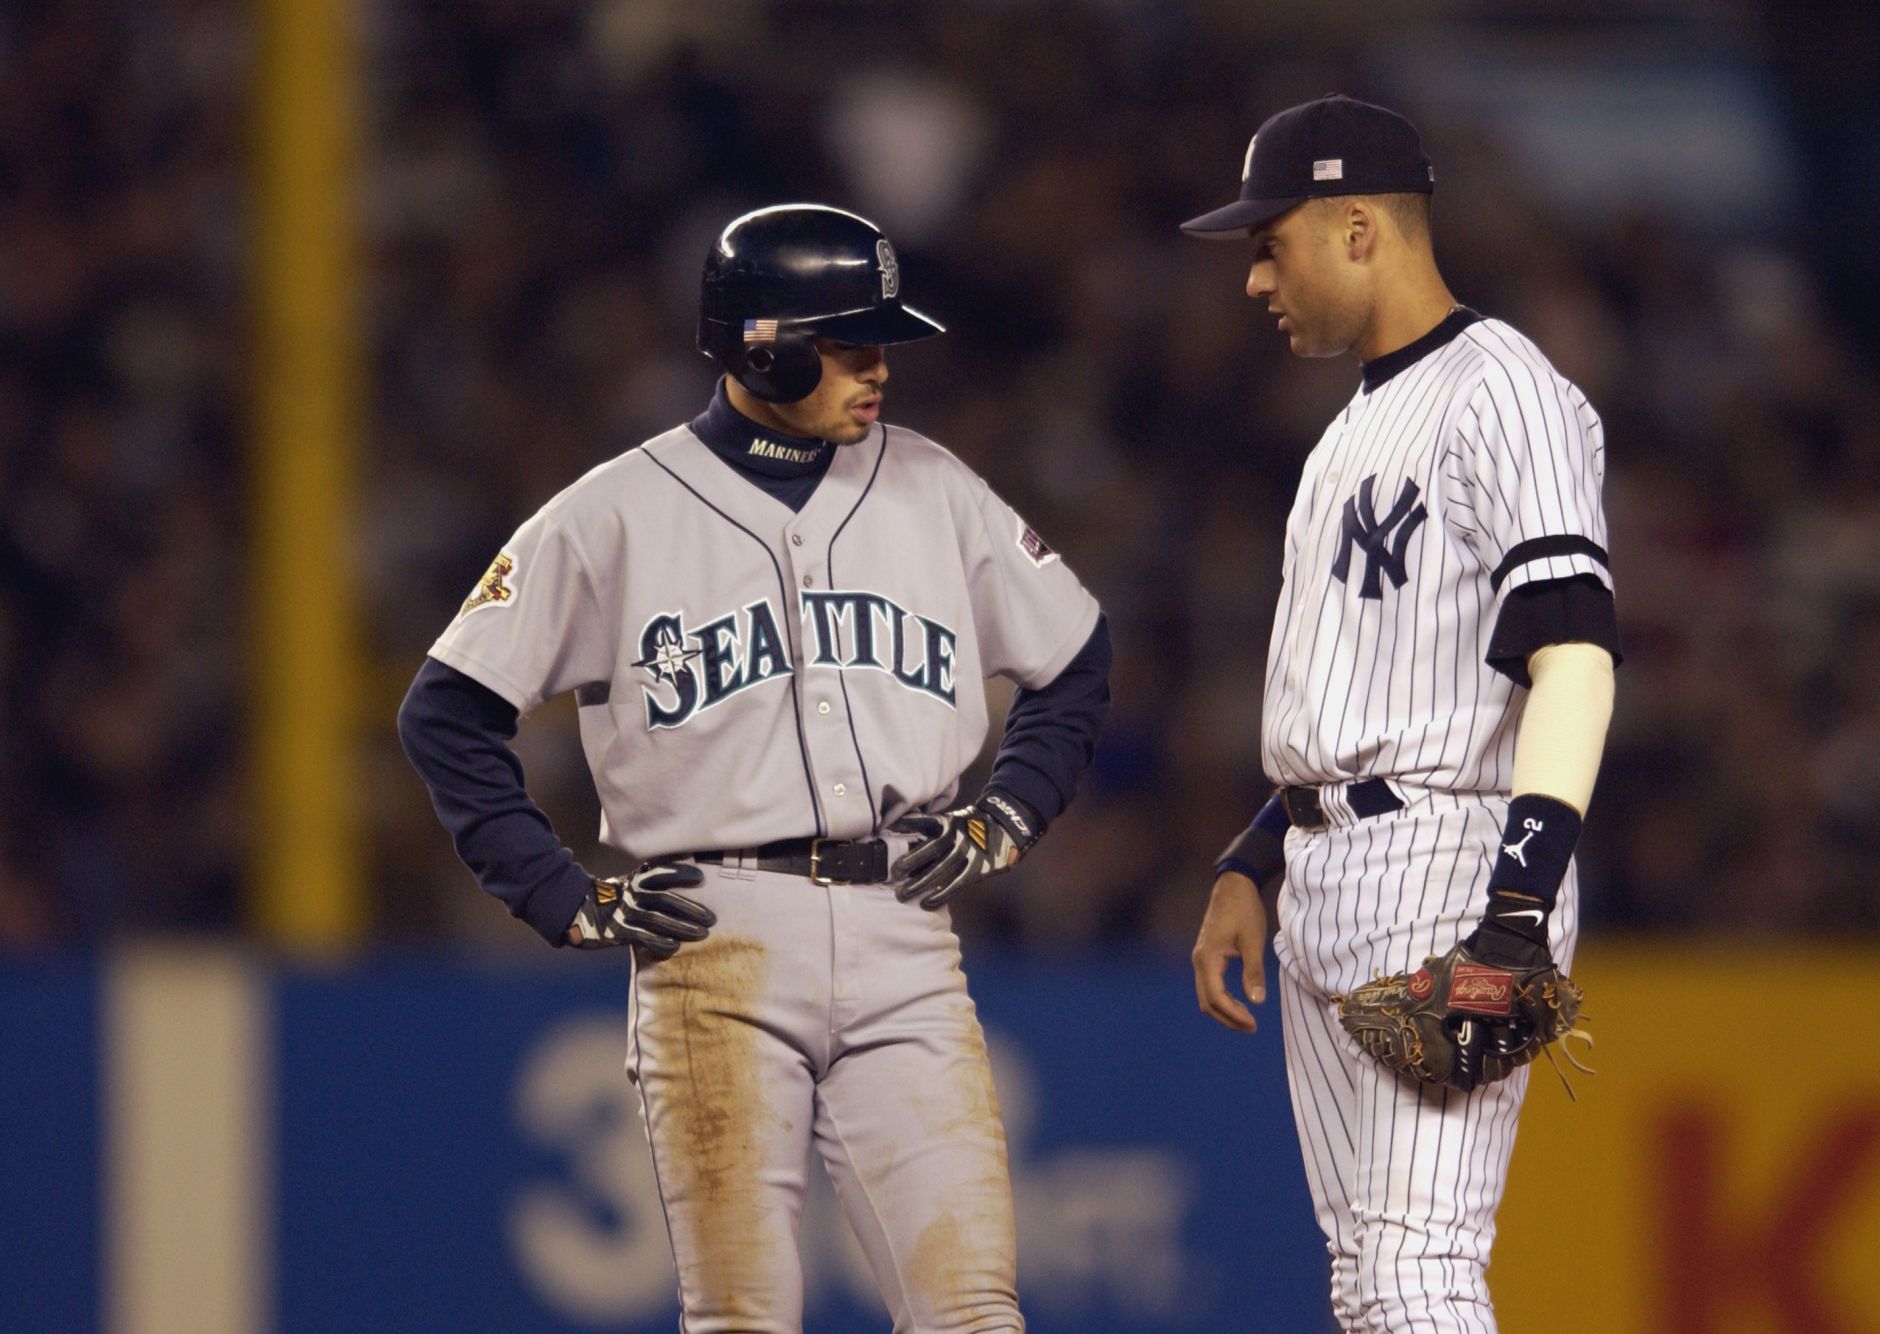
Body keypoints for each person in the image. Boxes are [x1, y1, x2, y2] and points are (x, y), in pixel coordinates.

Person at [397, 203, 1110, 1333]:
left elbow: (1073, 659)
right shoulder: (614, 512)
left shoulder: (934, 486)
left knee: (973, 1312)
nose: (879, 367)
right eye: (851, 341)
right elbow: (445, 710)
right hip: (711, 938)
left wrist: (1005, 815)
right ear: (761, 341)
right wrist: (557, 892)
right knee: (741, 1315)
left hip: (904, 926)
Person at [1180, 96, 1620, 1330]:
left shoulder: (1507, 393)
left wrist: (1519, 904)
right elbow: (1359, 689)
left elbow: (1574, 654)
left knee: (1417, 1266)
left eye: (1271, 243)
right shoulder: (1349, 432)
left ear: (1358, 227)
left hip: (1449, 858)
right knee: (1369, 1280)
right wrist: (1254, 858)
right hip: (1327, 855)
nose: (1254, 277)